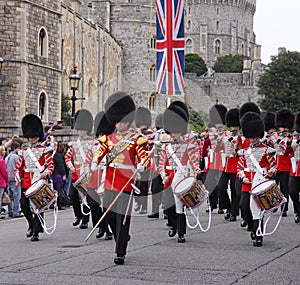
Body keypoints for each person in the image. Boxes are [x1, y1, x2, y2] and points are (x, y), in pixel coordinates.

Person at [92, 91, 149, 265]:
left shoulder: (135, 140)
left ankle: (120, 251)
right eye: (117, 121)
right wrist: (96, 162)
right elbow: (101, 153)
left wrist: (142, 165)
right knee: (109, 216)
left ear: (128, 121)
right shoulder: (108, 140)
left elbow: (143, 155)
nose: (119, 124)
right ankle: (121, 237)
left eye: (122, 121)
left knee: (122, 218)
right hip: (109, 182)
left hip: (126, 183)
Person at [158, 104, 201, 243]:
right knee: (167, 204)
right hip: (169, 178)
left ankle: (181, 232)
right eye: (171, 132)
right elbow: (161, 164)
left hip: (181, 177)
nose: (173, 135)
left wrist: (195, 171)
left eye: (175, 132)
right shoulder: (166, 147)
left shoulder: (188, 145)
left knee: (179, 205)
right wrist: (163, 174)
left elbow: (193, 161)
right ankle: (173, 224)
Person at [237, 112, 277, 246]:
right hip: (247, 182)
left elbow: (273, 165)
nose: (252, 139)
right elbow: (239, 168)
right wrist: (243, 177)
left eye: (254, 136)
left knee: (257, 209)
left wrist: (271, 172)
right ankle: (251, 226)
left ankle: (258, 235)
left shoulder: (267, 150)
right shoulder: (244, 151)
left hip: (259, 182)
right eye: (250, 137)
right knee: (244, 206)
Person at [14, 114, 54, 241]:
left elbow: (50, 166)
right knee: (23, 205)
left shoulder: (45, 150)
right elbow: (18, 167)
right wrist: (17, 177)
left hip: (38, 181)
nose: (31, 138)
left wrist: (45, 173)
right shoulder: (24, 151)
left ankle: (36, 231)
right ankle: (31, 225)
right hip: (26, 182)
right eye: (29, 136)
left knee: (38, 206)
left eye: (33, 136)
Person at [65, 109, 94, 229]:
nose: (81, 131)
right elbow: (67, 157)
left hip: (86, 173)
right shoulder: (73, 143)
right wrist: (70, 166)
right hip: (76, 173)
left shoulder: (92, 143)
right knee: (72, 194)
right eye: (79, 129)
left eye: (83, 129)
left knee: (85, 196)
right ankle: (78, 215)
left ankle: (85, 219)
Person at [274, 108, 294, 217]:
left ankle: (284, 208)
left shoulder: (291, 138)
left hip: (285, 166)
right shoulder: (274, 136)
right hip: (275, 165)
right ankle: (274, 205)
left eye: (285, 127)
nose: (284, 129)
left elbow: (287, 152)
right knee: (273, 187)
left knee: (284, 188)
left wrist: (289, 143)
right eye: (282, 126)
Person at [133, 107, 152, 215]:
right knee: (134, 184)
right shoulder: (134, 134)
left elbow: (150, 144)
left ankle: (144, 206)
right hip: (135, 162)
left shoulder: (150, 134)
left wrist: (143, 136)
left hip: (145, 162)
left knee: (143, 185)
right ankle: (138, 201)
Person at [5, 141, 23, 218]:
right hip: (15, 178)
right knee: (17, 195)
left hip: (9, 178)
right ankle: (16, 212)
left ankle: (11, 211)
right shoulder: (16, 157)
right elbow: (20, 167)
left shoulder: (7, 157)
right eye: (19, 148)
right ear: (15, 148)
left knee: (11, 195)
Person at [51, 141, 68, 210]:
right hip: (58, 174)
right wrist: (64, 174)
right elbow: (61, 166)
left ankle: (55, 203)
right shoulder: (59, 156)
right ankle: (60, 203)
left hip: (54, 174)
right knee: (59, 189)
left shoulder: (54, 155)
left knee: (56, 190)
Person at [0, 146, 9, 219]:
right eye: (3, 151)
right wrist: (7, 180)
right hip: (1, 182)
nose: (5, 152)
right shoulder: (1, 161)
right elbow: (4, 172)